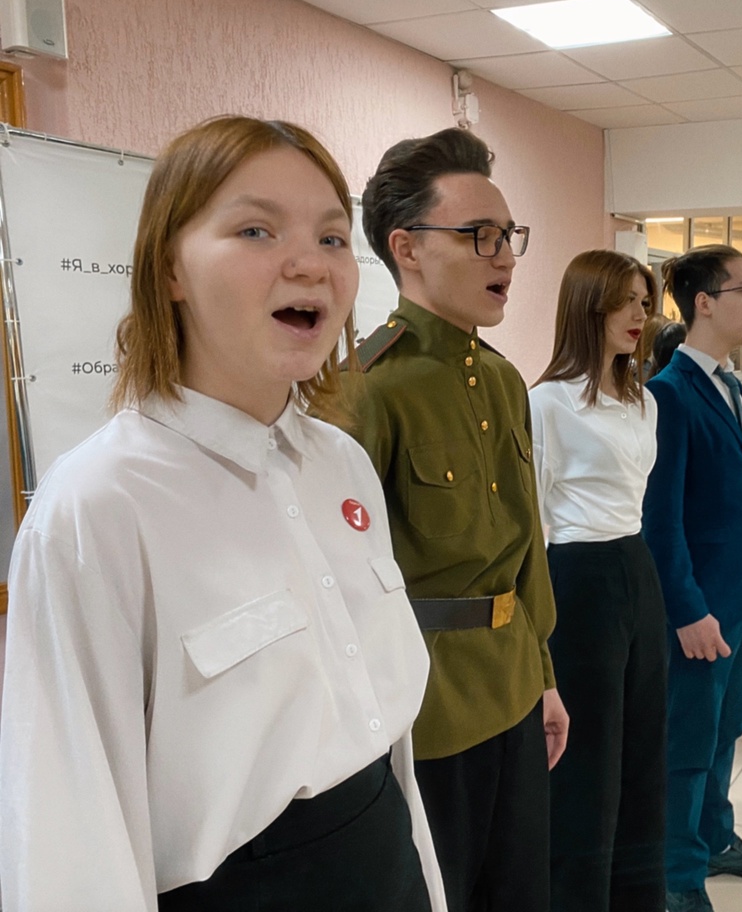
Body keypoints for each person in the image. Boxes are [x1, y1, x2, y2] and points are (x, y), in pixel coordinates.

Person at [0, 117, 444, 911]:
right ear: (170, 267)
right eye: (255, 230)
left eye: (332, 237)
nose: (309, 264)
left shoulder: (341, 465)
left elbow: (386, 744)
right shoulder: (99, 506)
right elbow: (70, 827)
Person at [344, 127, 565, 912]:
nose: (505, 257)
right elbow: (346, 587)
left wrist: (544, 679)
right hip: (425, 711)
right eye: (480, 235)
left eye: (508, 235)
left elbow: (526, 550)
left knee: (522, 892)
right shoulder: (367, 390)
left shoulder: (502, 380)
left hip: (514, 686)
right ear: (406, 248)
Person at [642, 245, 742, 912]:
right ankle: (676, 874)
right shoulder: (669, 394)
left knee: (728, 729)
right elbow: (660, 520)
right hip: (700, 609)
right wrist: (686, 610)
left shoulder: (732, 385)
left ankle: (715, 838)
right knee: (689, 743)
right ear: (703, 302)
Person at [529, 250, 667, 912]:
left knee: (642, 746)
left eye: (645, 301)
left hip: (636, 567)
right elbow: (531, 520)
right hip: (578, 578)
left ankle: (636, 897)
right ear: (590, 305)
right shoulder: (547, 402)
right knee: (589, 761)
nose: (640, 314)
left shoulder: (643, 400)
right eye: (626, 301)